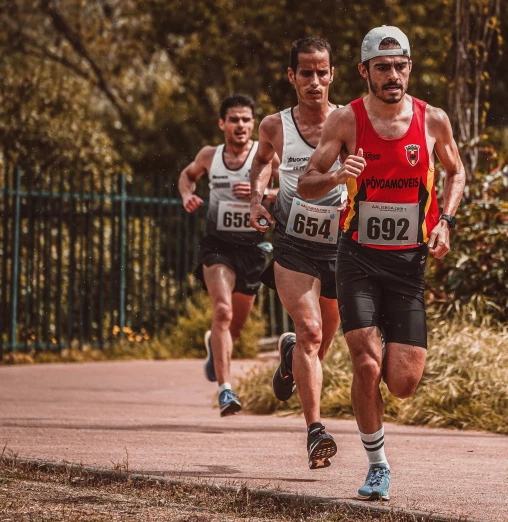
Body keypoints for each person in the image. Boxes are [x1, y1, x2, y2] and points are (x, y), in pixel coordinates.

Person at [296, 26, 466, 500]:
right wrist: (334, 174)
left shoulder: (433, 120)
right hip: (358, 259)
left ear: (410, 67)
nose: (393, 76)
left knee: (404, 382)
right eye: (383, 67)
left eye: (400, 66)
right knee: (366, 365)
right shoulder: (346, 121)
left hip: (408, 263)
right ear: (364, 72)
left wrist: (445, 221)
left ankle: (387, 339)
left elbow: (457, 171)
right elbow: (306, 183)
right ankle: (377, 467)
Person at [248, 37, 345, 470]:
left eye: (322, 72)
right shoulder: (274, 125)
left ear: (332, 75)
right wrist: (255, 199)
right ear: (292, 76)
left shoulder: (348, 123)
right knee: (309, 331)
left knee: (321, 341)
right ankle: (314, 432)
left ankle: (289, 360)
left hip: (339, 247)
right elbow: (261, 161)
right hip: (293, 244)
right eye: (305, 72)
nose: (314, 81)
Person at [178, 94, 278, 416]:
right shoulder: (210, 156)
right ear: (222, 123)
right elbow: (187, 175)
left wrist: (262, 193)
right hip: (218, 245)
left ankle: (215, 346)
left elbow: (292, 187)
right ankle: (225, 390)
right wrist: (187, 195)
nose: (241, 125)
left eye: (247, 120)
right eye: (234, 119)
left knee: (234, 327)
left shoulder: (265, 157)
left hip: (251, 249)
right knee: (221, 311)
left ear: (253, 124)